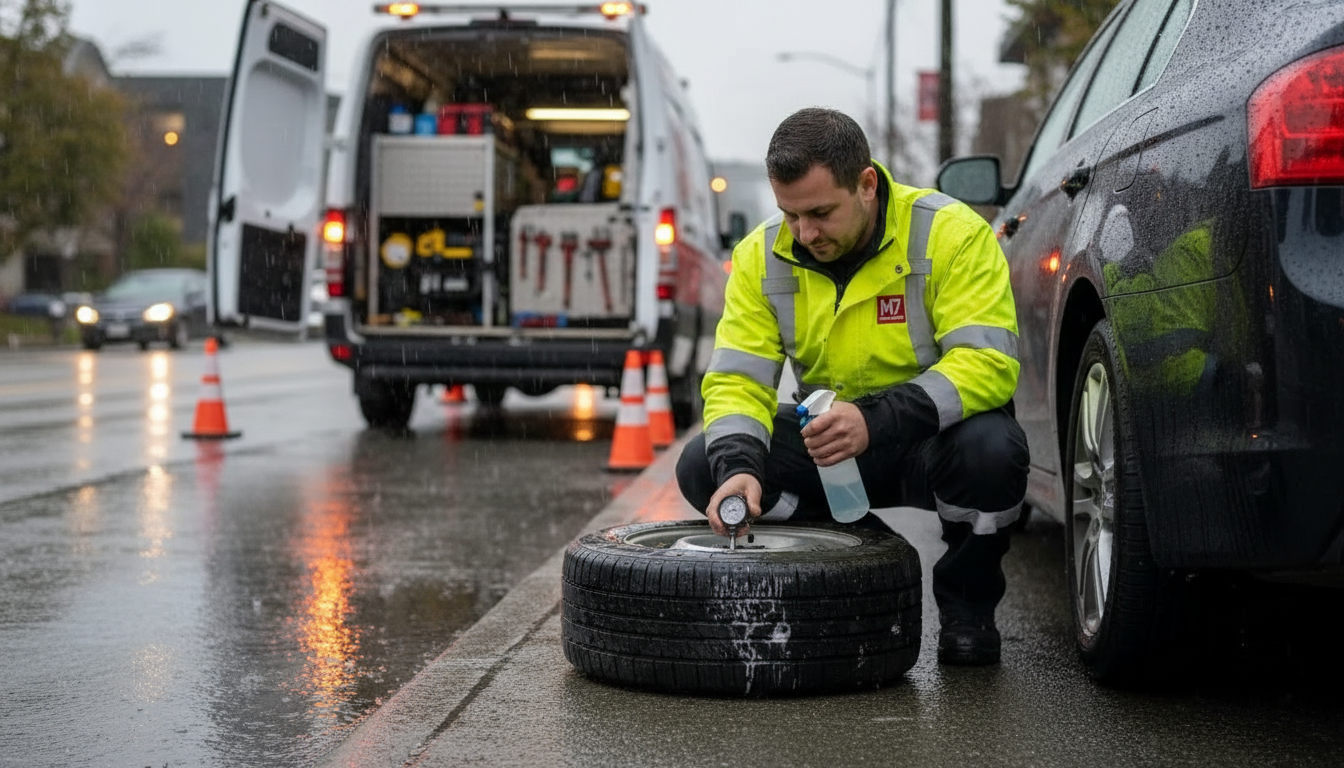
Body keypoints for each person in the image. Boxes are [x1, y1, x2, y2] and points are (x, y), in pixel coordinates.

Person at [676, 107, 1029, 666]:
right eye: (790, 215)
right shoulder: (759, 257)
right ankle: (866, 551)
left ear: (867, 184)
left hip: (931, 444)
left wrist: (875, 419)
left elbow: (987, 362)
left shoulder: (952, 233)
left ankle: (967, 608)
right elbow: (738, 380)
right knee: (704, 464)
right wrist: (741, 467)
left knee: (993, 450)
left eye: (820, 212)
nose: (804, 234)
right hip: (834, 451)